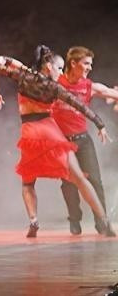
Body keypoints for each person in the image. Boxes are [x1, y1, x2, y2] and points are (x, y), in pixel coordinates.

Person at [0, 46, 115, 237]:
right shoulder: (55, 88)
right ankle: (104, 220)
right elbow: (80, 106)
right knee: (79, 178)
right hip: (50, 131)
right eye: (59, 68)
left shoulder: (24, 77)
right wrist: (100, 124)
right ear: (48, 66)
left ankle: (34, 220)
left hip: (30, 133)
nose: (61, 73)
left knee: (28, 182)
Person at [51, 46, 118, 235]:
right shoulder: (56, 83)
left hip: (83, 140)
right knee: (69, 183)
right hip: (63, 142)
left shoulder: (89, 86)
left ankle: (102, 221)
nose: (89, 67)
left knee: (95, 180)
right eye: (86, 63)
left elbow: (110, 93)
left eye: (91, 64)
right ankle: (74, 220)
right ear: (73, 63)